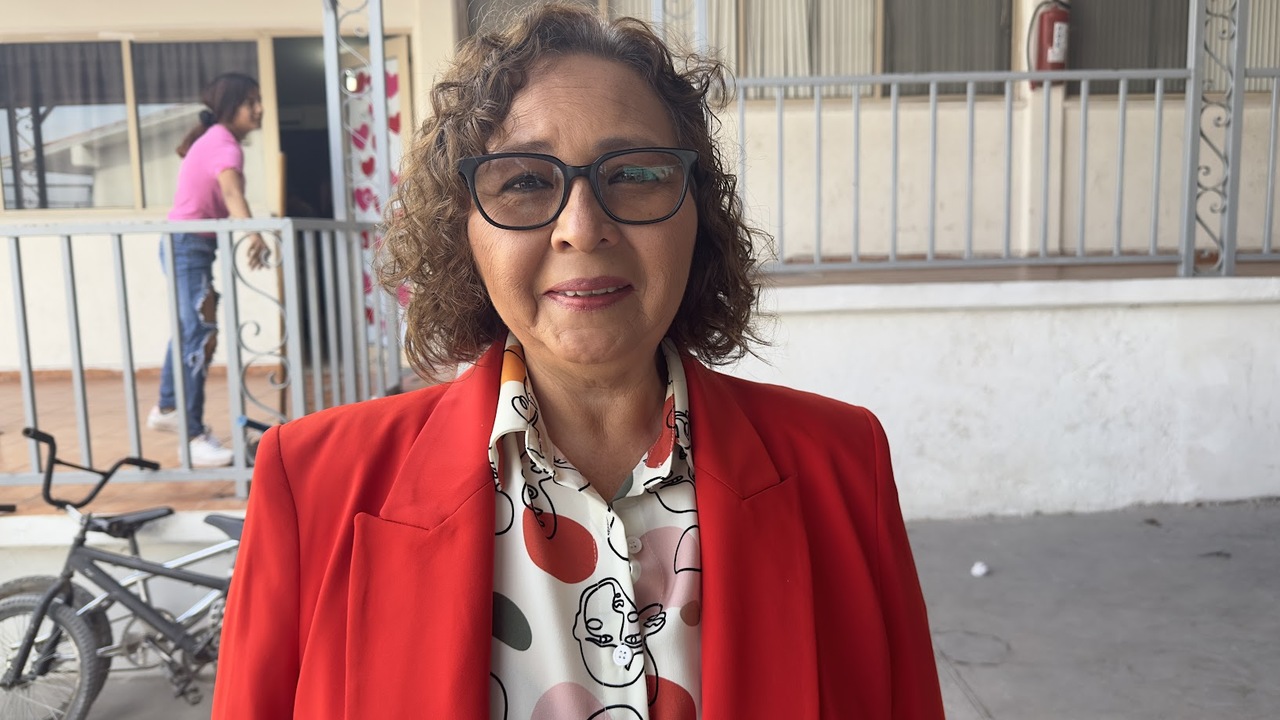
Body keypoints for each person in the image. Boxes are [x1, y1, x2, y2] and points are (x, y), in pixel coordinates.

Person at [212, 4, 943, 718]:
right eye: (525, 181)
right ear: (463, 231)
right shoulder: (313, 489)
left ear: (698, 212)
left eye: (635, 174)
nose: (582, 229)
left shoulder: (844, 468)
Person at [146, 72, 269, 468]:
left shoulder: (217, 139)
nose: (259, 109)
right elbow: (232, 193)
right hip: (187, 246)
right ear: (228, 107)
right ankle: (192, 435)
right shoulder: (223, 143)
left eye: (258, 100)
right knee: (198, 336)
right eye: (250, 102)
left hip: (190, 246)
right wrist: (255, 235)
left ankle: (170, 409)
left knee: (193, 333)